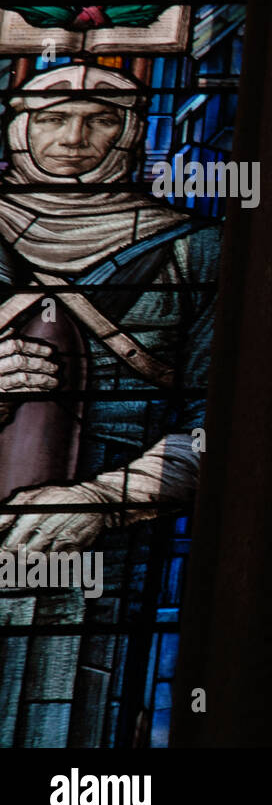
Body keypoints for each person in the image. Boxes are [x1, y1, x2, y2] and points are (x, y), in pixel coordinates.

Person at [0, 64, 219, 747]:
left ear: (130, 133)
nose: (74, 138)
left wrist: (105, 498)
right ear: (17, 125)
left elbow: (229, 428)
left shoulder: (196, 250)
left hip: (105, 540)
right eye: (52, 117)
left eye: (99, 118)